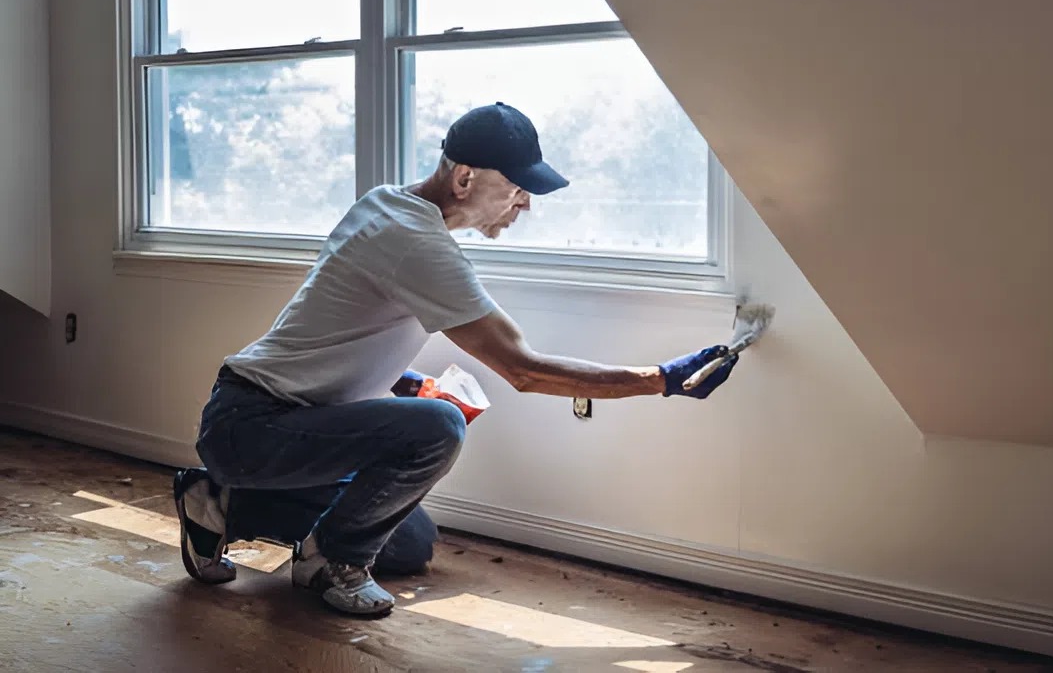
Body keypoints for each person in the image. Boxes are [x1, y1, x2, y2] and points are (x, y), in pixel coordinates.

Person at [175, 102, 738, 617]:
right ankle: (327, 564)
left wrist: (404, 381)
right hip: (255, 426)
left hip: (267, 422)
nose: (525, 204)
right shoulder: (418, 243)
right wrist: (659, 380)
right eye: (517, 189)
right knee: (437, 428)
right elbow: (525, 370)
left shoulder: (386, 203)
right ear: (465, 178)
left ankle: (220, 502)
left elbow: (338, 329)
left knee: (410, 543)